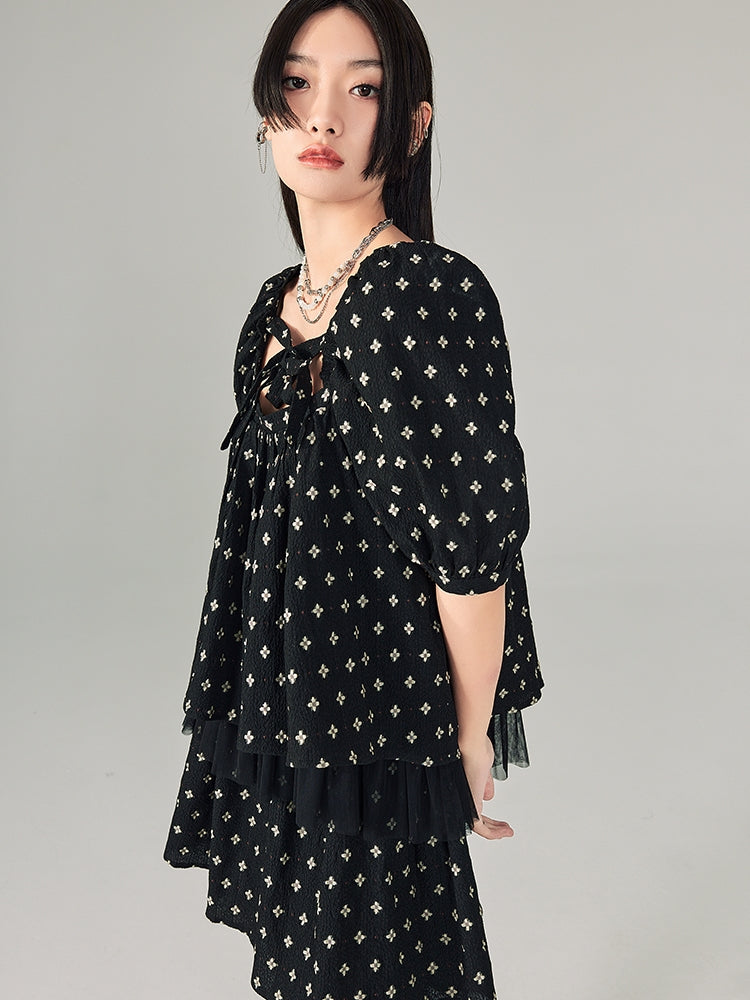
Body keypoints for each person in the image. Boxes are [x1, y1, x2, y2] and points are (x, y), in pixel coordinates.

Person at [163, 1, 544, 997]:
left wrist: (468, 730)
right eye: (298, 83)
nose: (323, 115)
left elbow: (471, 541)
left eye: (362, 88)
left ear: (412, 123)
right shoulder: (276, 305)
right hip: (293, 703)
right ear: (266, 112)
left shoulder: (421, 291)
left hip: (377, 710)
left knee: (368, 961)